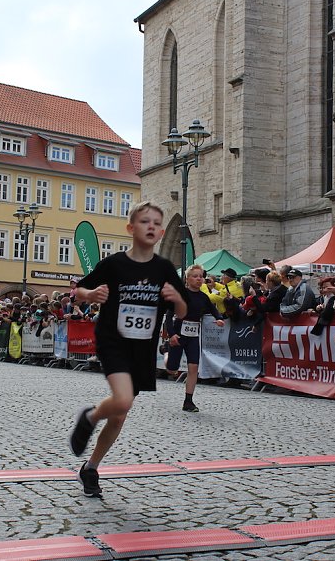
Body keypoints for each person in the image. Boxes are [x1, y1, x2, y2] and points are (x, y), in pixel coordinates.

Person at [69, 202, 187, 499]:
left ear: (161, 232)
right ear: (130, 228)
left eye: (156, 223)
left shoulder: (164, 269)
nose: (151, 226)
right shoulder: (114, 264)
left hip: (142, 347)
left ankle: (91, 468)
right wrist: (91, 294)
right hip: (113, 339)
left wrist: (177, 299)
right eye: (144, 221)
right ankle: (90, 417)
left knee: (120, 414)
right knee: (122, 401)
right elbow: (79, 290)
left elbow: (183, 311)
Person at [165, 264, 225, 412]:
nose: (199, 279)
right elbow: (168, 316)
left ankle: (188, 401)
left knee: (193, 368)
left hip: (193, 336)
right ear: (188, 279)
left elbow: (213, 310)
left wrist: (219, 318)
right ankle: (166, 351)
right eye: (195, 276)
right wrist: (172, 334)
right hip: (178, 334)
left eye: (201, 276)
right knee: (172, 369)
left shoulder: (204, 297)